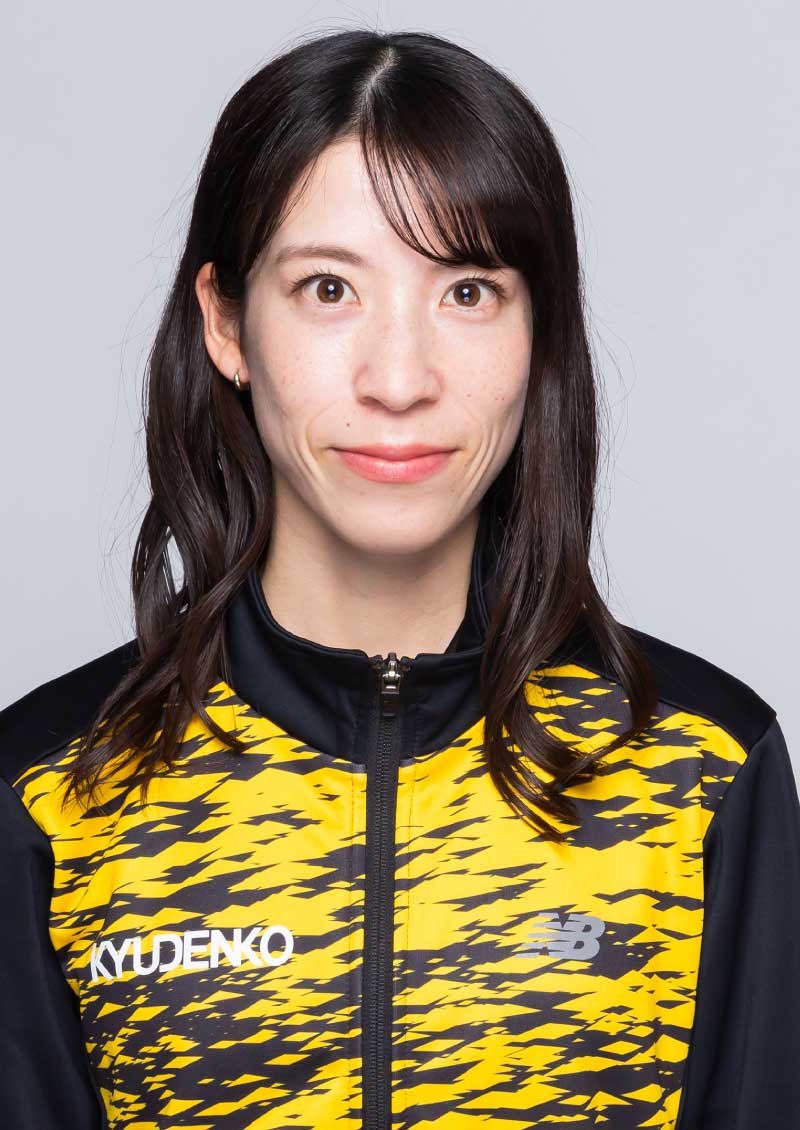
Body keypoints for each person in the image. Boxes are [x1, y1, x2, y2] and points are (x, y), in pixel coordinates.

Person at [1, 27, 798, 1130]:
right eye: (328, 288)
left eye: (466, 292)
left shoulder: (703, 764)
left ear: (538, 331)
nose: (399, 378)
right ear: (226, 323)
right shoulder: (47, 789)